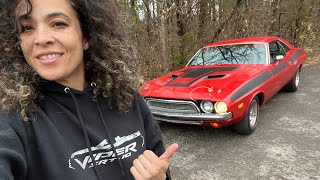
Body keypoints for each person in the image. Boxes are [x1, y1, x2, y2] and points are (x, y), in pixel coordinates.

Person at [0, 0, 178, 179]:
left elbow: (162, 167)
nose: (41, 39)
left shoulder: (126, 98)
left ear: (87, 36)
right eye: (27, 27)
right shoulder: (14, 116)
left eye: (58, 24)